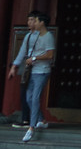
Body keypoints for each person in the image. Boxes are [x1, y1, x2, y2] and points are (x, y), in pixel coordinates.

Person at [10, 11, 55, 141]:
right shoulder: (31, 36)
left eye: (35, 21)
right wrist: (14, 66)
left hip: (42, 71)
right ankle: (42, 120)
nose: (32, 23)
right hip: (31, 71)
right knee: (29, 98)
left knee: (35, 98)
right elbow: (23, 51)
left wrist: (34, 58)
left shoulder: (48, 37)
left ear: (42, 22)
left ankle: (31, 127)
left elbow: (50, 54)